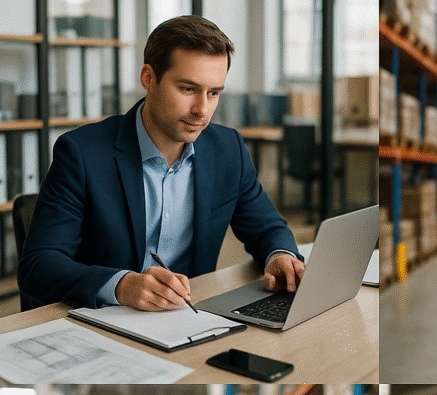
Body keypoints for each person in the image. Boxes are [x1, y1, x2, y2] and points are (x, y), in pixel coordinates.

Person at [18, 15, 304, 310]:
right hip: (106, 320)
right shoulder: (81, 152)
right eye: (188, 89)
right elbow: (39, 266)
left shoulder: (227, 149)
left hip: (187, 316)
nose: (201, 110)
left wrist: (280, 256)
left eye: (214, 93)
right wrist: (121, 285)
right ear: (148, 79)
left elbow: (267, 228)